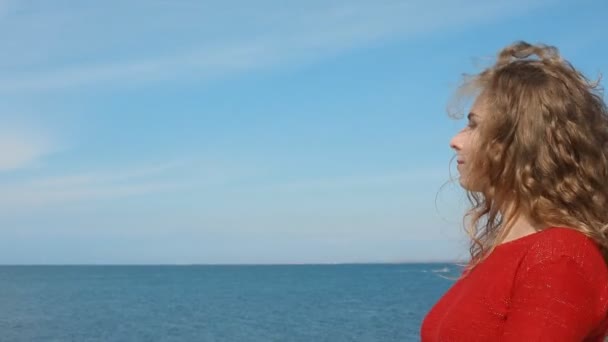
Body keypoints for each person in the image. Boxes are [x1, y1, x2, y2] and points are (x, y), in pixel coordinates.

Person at [420, 41, 608, 341]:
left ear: (518, 142)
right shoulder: (503, 251)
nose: (455, 140)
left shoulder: (558, 256)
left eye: (473, 125)